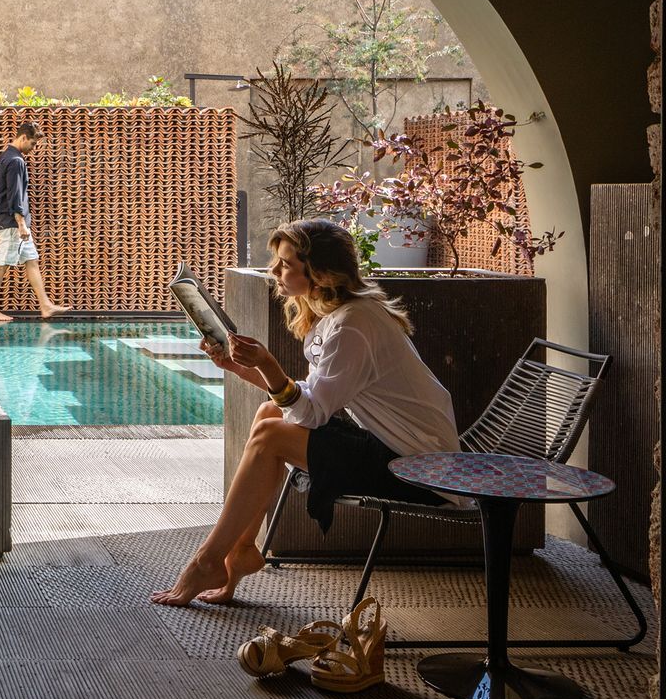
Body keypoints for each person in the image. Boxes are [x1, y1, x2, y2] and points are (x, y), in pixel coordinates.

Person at [152, 216, 458, 606]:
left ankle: (206, 560)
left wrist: (267, 364)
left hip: (419, 469)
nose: (273, 272)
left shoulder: (354, 325)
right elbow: (308, 399)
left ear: (320, 272)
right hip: (393, 447)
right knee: (269, 416)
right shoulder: (339, 316)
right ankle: (240, 549)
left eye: (285, 265)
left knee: (272, 433)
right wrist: (238, 367)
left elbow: (311, 414)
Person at [0, 120, 71, 322]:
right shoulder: (16, 161)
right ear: (23, 137)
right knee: (2, 262)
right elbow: (15, 194)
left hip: (14, 223)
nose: (33, 149)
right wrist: (21, 223)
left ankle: (45, 305)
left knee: (31, 261)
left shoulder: (5, 157)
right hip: (12, 224)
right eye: (32, 144)